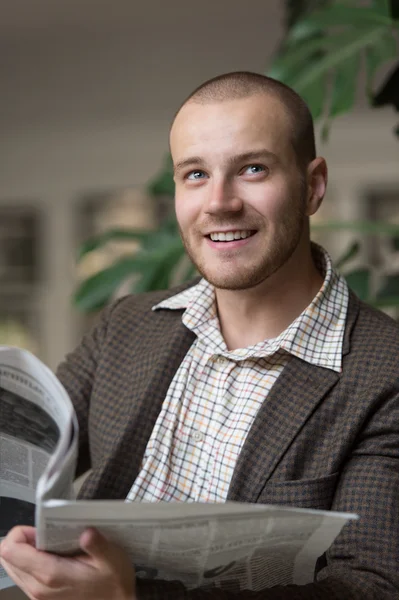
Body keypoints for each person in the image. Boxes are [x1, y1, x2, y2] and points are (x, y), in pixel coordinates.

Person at [1, 71, 399, 600]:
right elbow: (29, 454)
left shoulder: (385, 370)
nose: (219, 202)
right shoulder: (129, 325)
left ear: (314, 186)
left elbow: (370, 587)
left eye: (253, 169)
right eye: (195, 174)